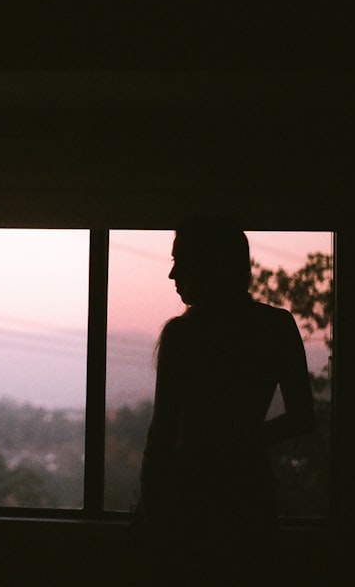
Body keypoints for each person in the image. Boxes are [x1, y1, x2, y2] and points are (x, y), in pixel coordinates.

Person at [134, 215, 316, 585]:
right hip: (248, 493)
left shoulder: (182, 336)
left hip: (185, 500)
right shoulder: (275, 327)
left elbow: (162, 436)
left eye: (179, 261)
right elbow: (302, 416)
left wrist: (151, 511)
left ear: (208, 265)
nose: (173, 275)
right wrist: (246, 441)